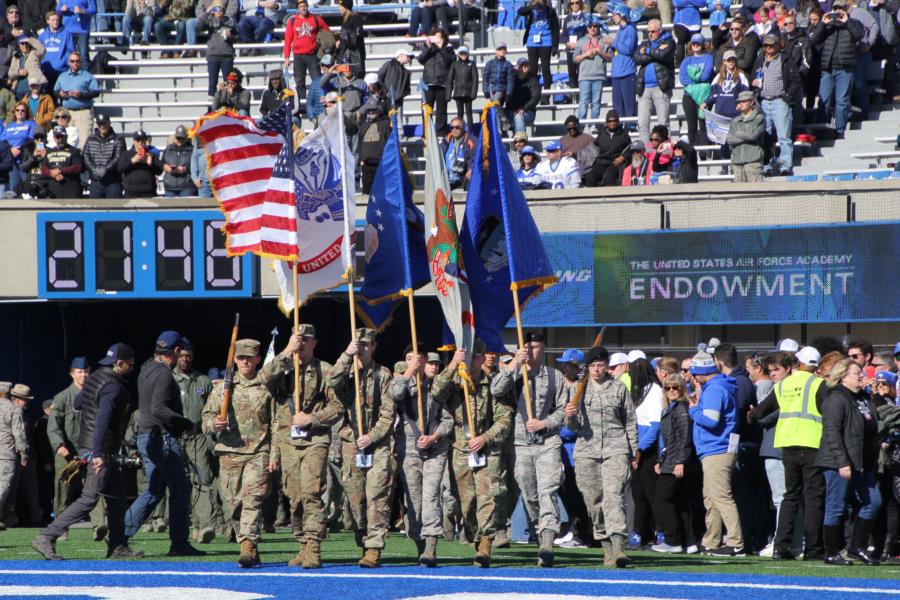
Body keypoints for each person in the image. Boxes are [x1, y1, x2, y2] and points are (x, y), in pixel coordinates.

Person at [32, 343, 139, 560]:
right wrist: (97, 452)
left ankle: (118, 545)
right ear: (120, 364)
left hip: (90, 445)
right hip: (100, 450)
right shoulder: (113, 387)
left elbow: (79, 404)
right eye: (130, 364)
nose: (132, 368)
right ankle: (47, 536)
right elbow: (103, 418)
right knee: (89, 498)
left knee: (117, 498)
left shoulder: (97, 377)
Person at [203, 333, 301, 567]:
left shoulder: (266, 385)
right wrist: (213, 424)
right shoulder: (223, 389)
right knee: (234, 502)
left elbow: (277, 422)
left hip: (258, 452)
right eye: (241, 358)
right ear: (235, 360)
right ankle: (246, 541)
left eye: (250, 358)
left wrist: (274, 453)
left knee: (252, 499)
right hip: (229, 452)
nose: (246, 362)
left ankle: (248, 544)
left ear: (258, 360)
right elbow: (206, 417)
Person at [124, 331, 204, 557]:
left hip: (146, 437)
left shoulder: (146, 369)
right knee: (179, 490)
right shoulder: (163, 375)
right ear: (177, 351)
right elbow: (159, 409)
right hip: (162, 440)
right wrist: (186, 423)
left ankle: (119, 536)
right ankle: (179, 543)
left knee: (153, 490)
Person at [431, 341, 512, 567]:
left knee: (488, 497)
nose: (472, 361)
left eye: (475, 357)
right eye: (468, 357)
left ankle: (486, 542)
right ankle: (474, 534)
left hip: (488, 449)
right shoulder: (454, 382)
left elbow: (505, 418)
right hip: (460, 449)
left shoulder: (493, 384)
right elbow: (436, 392)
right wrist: (453, 365)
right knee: (466, 502)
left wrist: (485, 437)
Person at [491, 332, 567, 567]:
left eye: (534, 346)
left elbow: (564, 409)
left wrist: (545, 423)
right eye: (527, 347)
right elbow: (496, 389)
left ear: (543, 347)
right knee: (529, 493)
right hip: (520, 444)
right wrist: (515, 363)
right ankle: (538, 529)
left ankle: (547, 540)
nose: (531, 351)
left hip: (548, 442)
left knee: (548, 491)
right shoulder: (513, 373)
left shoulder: (556, 376)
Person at [269, 325, 342, 569]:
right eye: (297, 338)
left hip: (315, 440)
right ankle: (301, 542)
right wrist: (286, 351)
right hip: (288, 442)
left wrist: (313, 419)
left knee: (311, 493)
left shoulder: (326, 370)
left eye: (306, 339)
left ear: (314, 343)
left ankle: (313, 547)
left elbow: (337, 407)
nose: (301, 343)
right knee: (294, 497)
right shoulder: (283, 367)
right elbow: (263, 380)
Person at [326, 328, 396, 569]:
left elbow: (388, 414)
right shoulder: (346, 373)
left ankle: (374, 547)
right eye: (359, 344)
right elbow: (332, 381)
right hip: (350, 444)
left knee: (377, 495)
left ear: (374, 347)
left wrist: (372, 436)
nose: (363, 348)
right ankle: (363, 535)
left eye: (367, 344)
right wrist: (347, 355)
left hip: (377, 446)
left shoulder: (383, 375)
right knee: (356, 499)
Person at [563, 346, 637, 567]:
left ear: (607, 366)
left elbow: (630, 421)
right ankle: (605, 545)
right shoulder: (579, 389)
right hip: (587, 451)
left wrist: (634, 451)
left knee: (614, 497)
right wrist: (569, 416)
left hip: (616, 448)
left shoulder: (619, 387)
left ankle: (618, 546)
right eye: (592, 366)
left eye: (601, 365)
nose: (597, 370)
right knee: (593, 501)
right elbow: (573, 427)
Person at [756, 346, 827, 561]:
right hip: (812, 444)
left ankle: (781, 546)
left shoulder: (784, 384)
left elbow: (760, 412)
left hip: (787, 445)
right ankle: (813, 549)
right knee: (813, 498)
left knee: (790, 496)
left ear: (797, 362)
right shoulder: (819, 384)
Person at [390, 350, 453, 567]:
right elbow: (395, 394)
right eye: (409, 358)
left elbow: (448, 420)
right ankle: (419, 544)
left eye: (419, 358)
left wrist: (434, 436)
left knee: (431, 496)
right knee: (413, 499)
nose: (416, 362)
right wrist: (409, 371)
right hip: (408, 449)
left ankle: (431, 547)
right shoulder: (402, 383)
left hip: (435, 448)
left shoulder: (436, 388)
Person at [817, 358, 882, 565]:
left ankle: (857, 547)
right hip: (839, 461)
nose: (861, 377)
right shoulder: (836, 398)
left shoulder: (862, 398)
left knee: (873, 501)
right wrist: (842, 462)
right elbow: (832, 433)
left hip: (862, 461)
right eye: (857, 374)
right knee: (836, 506)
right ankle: (831, 552)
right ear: (843, 376)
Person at [687, 348, 744, 556]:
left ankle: (736, 542)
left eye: (694, 373)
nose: (693, 378)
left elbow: (711, 420)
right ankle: (712, 541)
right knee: (710, 498)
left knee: (720, 497)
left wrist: (693, 409)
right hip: (715, 448)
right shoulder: (718, 386)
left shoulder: (714, 389)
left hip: (716, 448)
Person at [171, 341, 222, 545]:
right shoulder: (169, 379)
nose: (185, 359)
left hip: (198, 436)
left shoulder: (203, 381)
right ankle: (182, 526)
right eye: (182, 355)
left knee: (202, 479)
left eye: (188, 355)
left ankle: (204, 526)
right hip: (175, 436)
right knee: (177, 483)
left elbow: (213, 408)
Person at [47, 357, 104, 538]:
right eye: (80, 372)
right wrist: (59, 445)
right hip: (68, 452)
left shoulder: (97, 395)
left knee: (95, 487)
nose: (84, 375)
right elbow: (53, 425)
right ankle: (60, 528)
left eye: (86, 371)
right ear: (72, 373)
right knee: (64, 490)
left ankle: (99, 526)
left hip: (90, 450)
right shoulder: (63, 397)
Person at [652, 373, 698, 553]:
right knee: (679, 502)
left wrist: (680, 462)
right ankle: (690, 542)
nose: (671, 391)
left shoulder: (680, 409)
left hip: (676, 461)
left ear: (682, 388)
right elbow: (669, 439)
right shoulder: (671, 408)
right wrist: (660, 460)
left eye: (675, 387)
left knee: (662, 499)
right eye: (667, 388)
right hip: (670, 459)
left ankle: (673, 541)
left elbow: (685, 438)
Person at [808, 0, 864, 138]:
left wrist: (847, 21)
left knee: (842, 100)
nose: (838, 11)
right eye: (835, 8)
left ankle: (839, 131)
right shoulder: (827, 26)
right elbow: (813, 41)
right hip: (827, 68)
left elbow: (859, 35)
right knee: (823, 100)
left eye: (841, 8)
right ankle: (822, 131)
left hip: (845, 68)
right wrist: (823, 23)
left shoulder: (854, 23)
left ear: (846, 9)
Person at [628, 358, 665, 550]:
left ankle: (661, 532)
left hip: (649, 451)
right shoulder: (640, 391)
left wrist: (639, 451)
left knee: (652, 494)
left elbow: (655, 426)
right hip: (639, 448)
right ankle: (639, 532)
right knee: (638, 494)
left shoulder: (654, 391)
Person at [752, 34, 801, 176]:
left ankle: (785, 166)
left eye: (771, 45)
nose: (768, 48)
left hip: (780, 101)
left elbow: (795, 80)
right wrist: (754, 83)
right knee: (765, 137)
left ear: (777, 45)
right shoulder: (760, 60)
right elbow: (752, 78)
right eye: (766, 45)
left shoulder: (785, 59)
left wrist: (787, 98)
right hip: (763, 102)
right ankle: (766, 166)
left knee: (784, 137)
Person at [635, 19, 675, 143]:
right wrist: (656, 52)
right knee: (643, 124)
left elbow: (664, 55)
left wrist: (647, 51)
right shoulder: (645, 42)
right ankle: (647, 153)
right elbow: (637, 58)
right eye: (648, 31)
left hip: (661, 87)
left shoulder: (669, 41)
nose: (650, 34)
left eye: (653, 31)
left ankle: (665, 153)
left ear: (660, 30)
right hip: (644, 88)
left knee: (663, 123)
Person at [283, 0, 330, 106]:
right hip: (298, 56)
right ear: (297, 8)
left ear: (307, 7)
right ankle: (302, 106)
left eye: (305, 6)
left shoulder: (315, 19)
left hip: (312, 55)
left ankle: (318, 103)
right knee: (300, 83)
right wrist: (286, 57)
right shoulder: (292, 21)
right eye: (301, 6)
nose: (303, 8)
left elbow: (327, 31)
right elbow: (288, 40)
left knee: (317, 81)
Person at [53, 52, 98, 148]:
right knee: (65, 141)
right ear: (68, 62)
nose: (75, 63)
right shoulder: (62, 76)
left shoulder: (87, 75)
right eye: (72, 61)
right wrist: (60, 94)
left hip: (83, 112)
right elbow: (56, 90)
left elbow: (96, 92)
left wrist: (81, 95)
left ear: (80, 62)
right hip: (66, 114)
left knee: (84, 142)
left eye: (77, 61)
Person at [518, 0, 559, 104]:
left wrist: (555, 45)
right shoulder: (531, 10)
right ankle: (533, 94)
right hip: (532, 42)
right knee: (532, 70)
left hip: (546, 42)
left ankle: (546, 96)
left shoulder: (550, 11)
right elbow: (520, 11)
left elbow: (556, 28)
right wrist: (532, 6)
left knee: (546, 69)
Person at [418, 29, 455, 135]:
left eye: (440, 37)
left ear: (444, 38)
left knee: (442, 111)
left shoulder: (448, 48)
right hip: (428, 83)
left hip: (442, 83)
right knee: (426, 109)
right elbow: (421, 59)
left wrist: (441, 48)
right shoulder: (428, 48)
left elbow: (451, 61)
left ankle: (441, 132)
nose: (438, 39)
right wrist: (429, 47)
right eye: (436, 36)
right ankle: (426, 132)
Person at [0, 381, 26, 530]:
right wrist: (23, 453)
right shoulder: (13, 410)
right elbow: (19, 435)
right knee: (3, 486)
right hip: (5, 454)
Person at [680, 34, 714, 146]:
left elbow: (707, 76)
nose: (695, 45)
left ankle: (704, 155)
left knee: (703, 124)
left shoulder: (708, 57)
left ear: (703, 44)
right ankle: (694, 154)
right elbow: (682, 79)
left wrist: (693, 78)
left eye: (698, 43)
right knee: (691, 126)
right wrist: (699, 79)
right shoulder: (686, 60)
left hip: (704, 96)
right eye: (693, 43)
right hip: (689, 96)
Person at [574, 16, 609, 122]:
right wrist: (586, 54)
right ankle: (581, 124)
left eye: (595, 26)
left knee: (596, 102)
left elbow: (611, 58)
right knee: (583, 102)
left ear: (599, 27)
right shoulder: (581, 41)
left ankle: (593, 124)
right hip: (584, 76)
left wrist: (601, 52)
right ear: (587, 27)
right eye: (590, 26)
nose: (593, 28)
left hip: (599, 76)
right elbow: (575, 59)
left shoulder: (604, 40)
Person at [83, 113, 125, 198]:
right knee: (95, 210)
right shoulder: (91, 139)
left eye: (104, 123)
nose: (102, 126)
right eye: (99, 124)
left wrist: (105, 169)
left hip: (113, 181)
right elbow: (85, 156)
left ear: (109, 123)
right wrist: (94, 169)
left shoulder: (118, 139)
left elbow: (118, 157)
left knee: (114, 209)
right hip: (96, 181)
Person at [726, 90, 765, 182]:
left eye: (744, 101)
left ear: (751, 102)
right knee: (740, 193)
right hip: (737, 162)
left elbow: (753, 135)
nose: (741, 104)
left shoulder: (759, 117)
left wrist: (737, 133)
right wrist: (746, 134)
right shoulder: (735, 120)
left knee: (756, 193)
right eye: (740, 101)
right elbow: (729, 139)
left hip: (753, 161)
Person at [607, 5, 638, 119]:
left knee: (629, 106)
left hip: (627, 72)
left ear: (622, 15)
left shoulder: (631, 29)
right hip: (616, 73)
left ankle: (630, 128)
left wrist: (614, 43)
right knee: (617, 107)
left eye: (615, 14)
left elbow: (628, 49)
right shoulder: (619, 30)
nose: (613, 17)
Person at [586, 109, 631, 186]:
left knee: (608, 177)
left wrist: (623, 157)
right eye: (610, 121)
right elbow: (594, 148)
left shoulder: (624, 134)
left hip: (615, 163)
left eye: (615, 120)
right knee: (590, 177)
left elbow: (630, 148)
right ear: (606, 123)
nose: (612, 123)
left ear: (618, 121)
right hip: (601, 162)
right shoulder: (601, 134)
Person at [118, 129, 162, 198]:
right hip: (131, 192)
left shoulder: (151, 154)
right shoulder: (126, 154)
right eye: (138, 140)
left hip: (148, 192)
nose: (141, 143)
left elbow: (159, 171)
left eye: (143, 140)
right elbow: (120, 168)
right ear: (134, 141)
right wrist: (132, 161)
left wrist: (151, 164)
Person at [38, 11, 74, 91]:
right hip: (46, 71)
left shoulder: (66, 34)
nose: (56, 22)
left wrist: (62, 62)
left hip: (61, 71)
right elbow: (38, 52)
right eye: (53, 20)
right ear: (48, 21)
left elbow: (70, 51)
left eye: (57, 20)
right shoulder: (42, 35)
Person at [505, 57, 541, 134]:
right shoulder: (512, 79)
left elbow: (536, 97)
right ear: (517, 67)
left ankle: (521, 142)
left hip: (528, 112)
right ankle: (505, 143)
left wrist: (524, 108)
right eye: (522, 65)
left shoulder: (533, 80)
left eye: (526, 65)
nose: (524, 67)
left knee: (518, 116)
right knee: (497, 115)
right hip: (510, 110)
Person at [205, 20, 236, 106]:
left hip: (227, 55)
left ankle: (229, 104)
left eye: (221, 9)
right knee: (212, 82)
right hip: (212, 55)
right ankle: (211, 108)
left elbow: (236, 31)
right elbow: (199, 25)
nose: (219, 11)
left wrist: (231, 34)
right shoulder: (209, 20)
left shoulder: (229, 20)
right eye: (217, 9)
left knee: (229, 81)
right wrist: (209, 11)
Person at [447, 46, 478, 129]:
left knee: (469, 113)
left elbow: (475, 79)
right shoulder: (454, 64)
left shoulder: (472, 64)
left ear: (468, 54)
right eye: (461, 53)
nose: (463, 55)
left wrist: (473, 93)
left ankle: (470, 132)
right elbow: (449, 79)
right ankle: (460, 130)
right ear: (458, 54)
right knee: (460, 113)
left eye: (465, 53)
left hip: (468, 93)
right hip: (458, 93)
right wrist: (448, 95)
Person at [161, 125, 197, 197]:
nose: (179, 140)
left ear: (186, 137)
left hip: (186, 185)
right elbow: (162, 162)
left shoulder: (192, 150)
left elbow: (196, 165)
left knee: (186, 206)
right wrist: (165, 167)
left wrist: (185, 169)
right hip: (170, 186)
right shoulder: (169, 148)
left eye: (182, 138)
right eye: (178, 138)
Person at [8, 36, 46, 101]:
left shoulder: (34, 53)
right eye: (22, 43)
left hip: (32, 88)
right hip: (18, 89)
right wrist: (18, 72)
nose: (24, 45)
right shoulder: (16, 56)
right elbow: (10, 73)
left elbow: (42, 49)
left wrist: (30, 39)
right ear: (19, 45)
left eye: (26, 43)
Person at [441, 117, 475, 190]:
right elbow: (438, 156)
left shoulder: (471, 141)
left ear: (463, 128)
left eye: (457, 127)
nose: (454, 130)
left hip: (464, 178)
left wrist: (471, 169)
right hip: (447, 179)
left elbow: (476, 157)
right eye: (452, 127)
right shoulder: (446, 140)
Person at [562, 0, 589, 90]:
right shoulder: (567, 19)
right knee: (572, 74)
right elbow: (563, 35)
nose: (575, 5)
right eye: (572, 3)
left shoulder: (585, 17)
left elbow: (588, 34)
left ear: (580, 4)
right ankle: (575, 97)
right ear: (570, 5)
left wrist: (579, 44)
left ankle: (582, 95)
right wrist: (567, 42)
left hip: (581, 51)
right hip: (570, 50)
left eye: (577, 3)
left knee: (582, 74)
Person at [335, 0, 365, 77]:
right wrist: (339, 40)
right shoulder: (344, 19)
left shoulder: (356, 18)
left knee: (356, 79)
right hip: (344, 55)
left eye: (340, 7)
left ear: (346, 7)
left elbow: (357, 36)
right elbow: (345, 37)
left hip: (355, 56)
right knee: (343, 80)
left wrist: (343, 35)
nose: (339, 9)